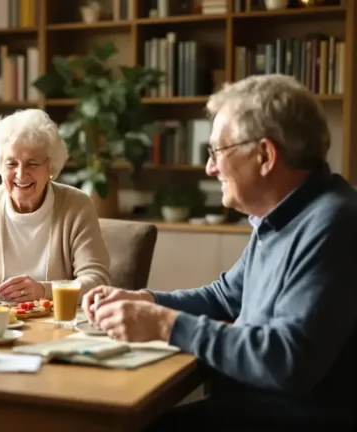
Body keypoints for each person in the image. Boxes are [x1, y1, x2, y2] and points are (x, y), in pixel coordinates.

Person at [82, 75, 356, 431]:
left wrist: (165, 324)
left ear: (264, 155)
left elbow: (288, 360)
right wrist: (145, 300)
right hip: (244, 408)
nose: (210, 168)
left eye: (217, 151)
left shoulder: (334, 224)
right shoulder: (280, 217)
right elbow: (225, 295)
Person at [0, 109, 111, 302]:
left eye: (32, 164)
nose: (20, 174)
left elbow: (97, 280)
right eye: (11, 164)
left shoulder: (76, 205)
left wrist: (44, 291)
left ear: (50, 167)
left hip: (56, 326)